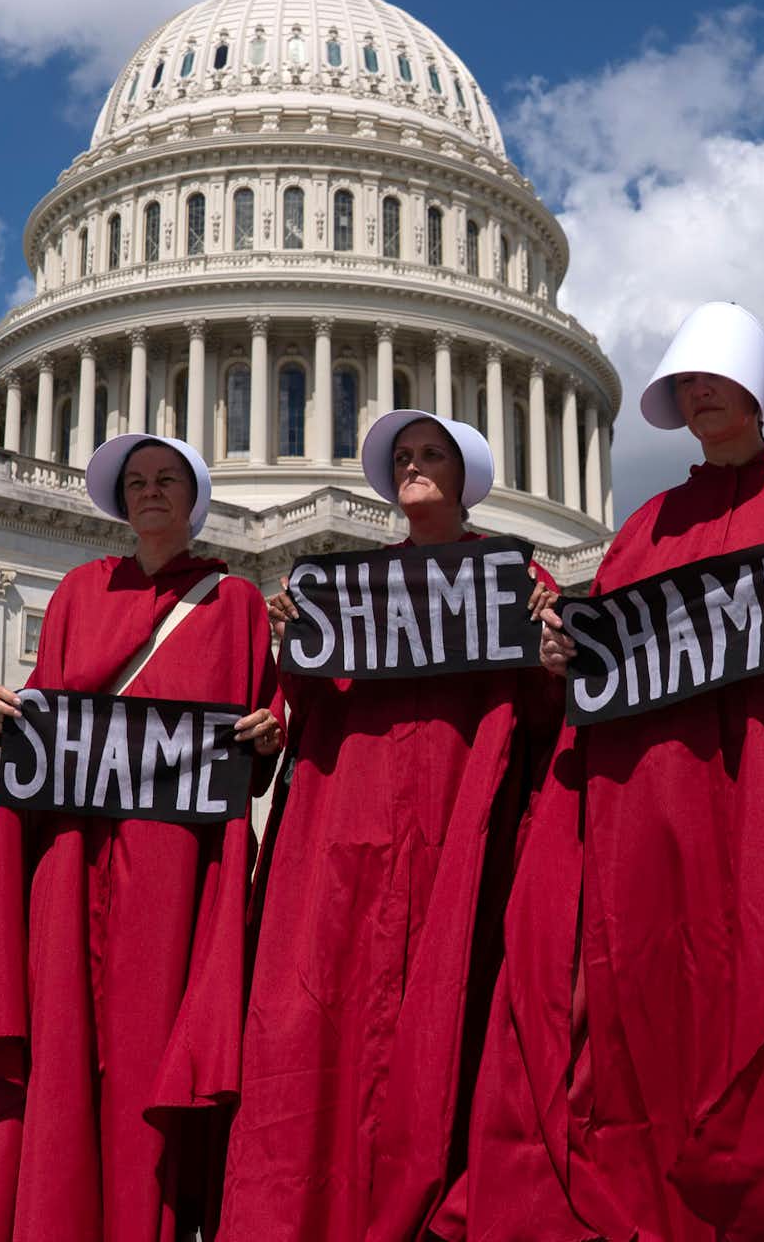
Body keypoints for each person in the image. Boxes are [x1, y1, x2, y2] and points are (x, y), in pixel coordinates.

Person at [460, 302, 764, 1241]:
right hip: (654, 800)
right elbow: (601, 678)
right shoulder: (645, 528)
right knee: (649, 1003)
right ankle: (655, 1205)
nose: (702, 395)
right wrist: (560, 661)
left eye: (716, 378)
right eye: (685, 383)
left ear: (753, 387)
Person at [222, 410, 561, 1242]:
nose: (413, 466)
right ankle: (324, 1201)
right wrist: (292, 654)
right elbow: (316, 712)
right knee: (325, 1016)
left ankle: (447, 1197)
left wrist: (554, 651)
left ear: (463, 473)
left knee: (462, 1007)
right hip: (356, 825)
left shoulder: (519, 580)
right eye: (402, 457)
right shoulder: (352, 586)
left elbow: (551, 714)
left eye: (429, 455)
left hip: (464, 813)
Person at [0, 435, 282, 1242]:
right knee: (65, 1027)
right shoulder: (77, 590)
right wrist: (8, 714)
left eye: (166, 479)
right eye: (136, 482)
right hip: (74, 844)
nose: (150, 492)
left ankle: (149, 1216)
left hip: (173, 858)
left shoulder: (233, 601)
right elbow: (51, 705)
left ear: (193, 496)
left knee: (151, 1036)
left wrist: (272, 730)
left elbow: (253, 737)